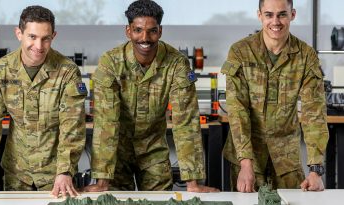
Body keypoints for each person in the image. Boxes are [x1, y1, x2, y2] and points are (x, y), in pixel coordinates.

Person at [84, 0, 219, 192]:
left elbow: (186, 122)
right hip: (116, 153)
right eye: (138, 30)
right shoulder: (111, 62)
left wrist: (193, 183)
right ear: (128, 31)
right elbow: (107, 121)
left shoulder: (176, 64)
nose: (145, 38)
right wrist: (102, 180)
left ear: (160, 31)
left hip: (154, 150)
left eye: (152, 31)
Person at [0, 5, 87, 198]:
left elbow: (72, 125)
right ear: (19, 33)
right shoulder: (1, 70)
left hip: (56, 176)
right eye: (32, 37)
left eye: (45, 38)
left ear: (53, 36)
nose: (39, 46)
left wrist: (65, 170)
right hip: (16, 174)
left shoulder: (67, 71)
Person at [221, 0, 329, 192]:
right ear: (260, 15)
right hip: (248, 157)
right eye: (269, 14)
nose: (275, 21)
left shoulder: (305, 55)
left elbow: (314, 114)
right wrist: (246, 163)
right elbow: (237, 110)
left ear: (292, 15)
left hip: (286, 160)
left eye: (282, 14)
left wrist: (316, 170)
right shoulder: (240, 52)